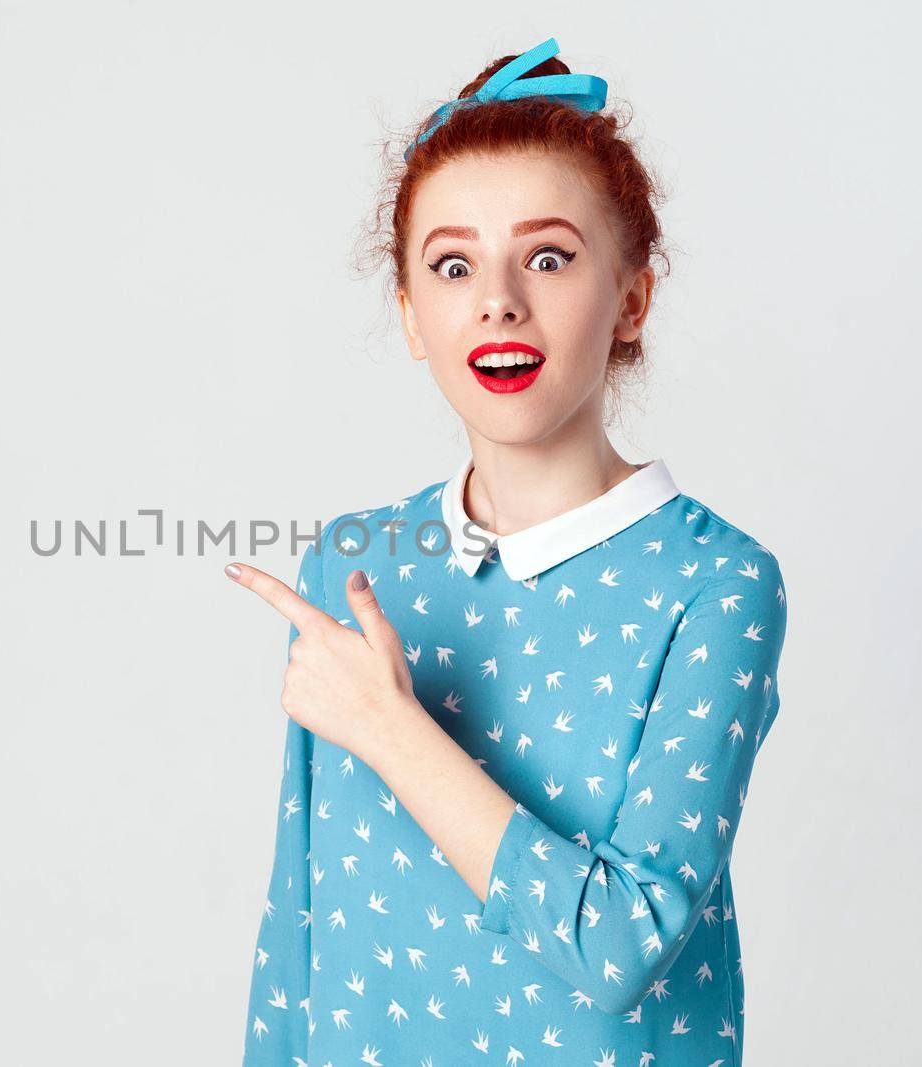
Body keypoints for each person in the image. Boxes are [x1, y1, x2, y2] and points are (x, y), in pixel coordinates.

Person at [225, 38, 790, 1066]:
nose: (498, 300)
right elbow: (298, 929)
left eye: (547, 256)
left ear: (631, 298)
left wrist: (391, 731)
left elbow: (622, 945)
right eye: (452, 265)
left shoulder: (714, 584)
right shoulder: (356, 561)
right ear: (408, 312)